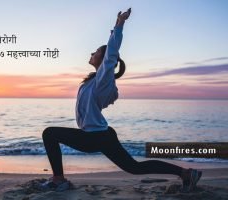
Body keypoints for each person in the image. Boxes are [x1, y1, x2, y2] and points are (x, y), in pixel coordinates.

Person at [41, 8, 202, 192]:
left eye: (95, 52)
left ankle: (59, 179)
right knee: (134, 167)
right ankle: (186, 173)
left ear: (103, 58)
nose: (91, 53)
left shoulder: (103, 80)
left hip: (95, 137)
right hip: (101, 135)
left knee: (49, 133)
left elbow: (111, 55)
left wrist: (119, 24)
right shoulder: (94, 81)